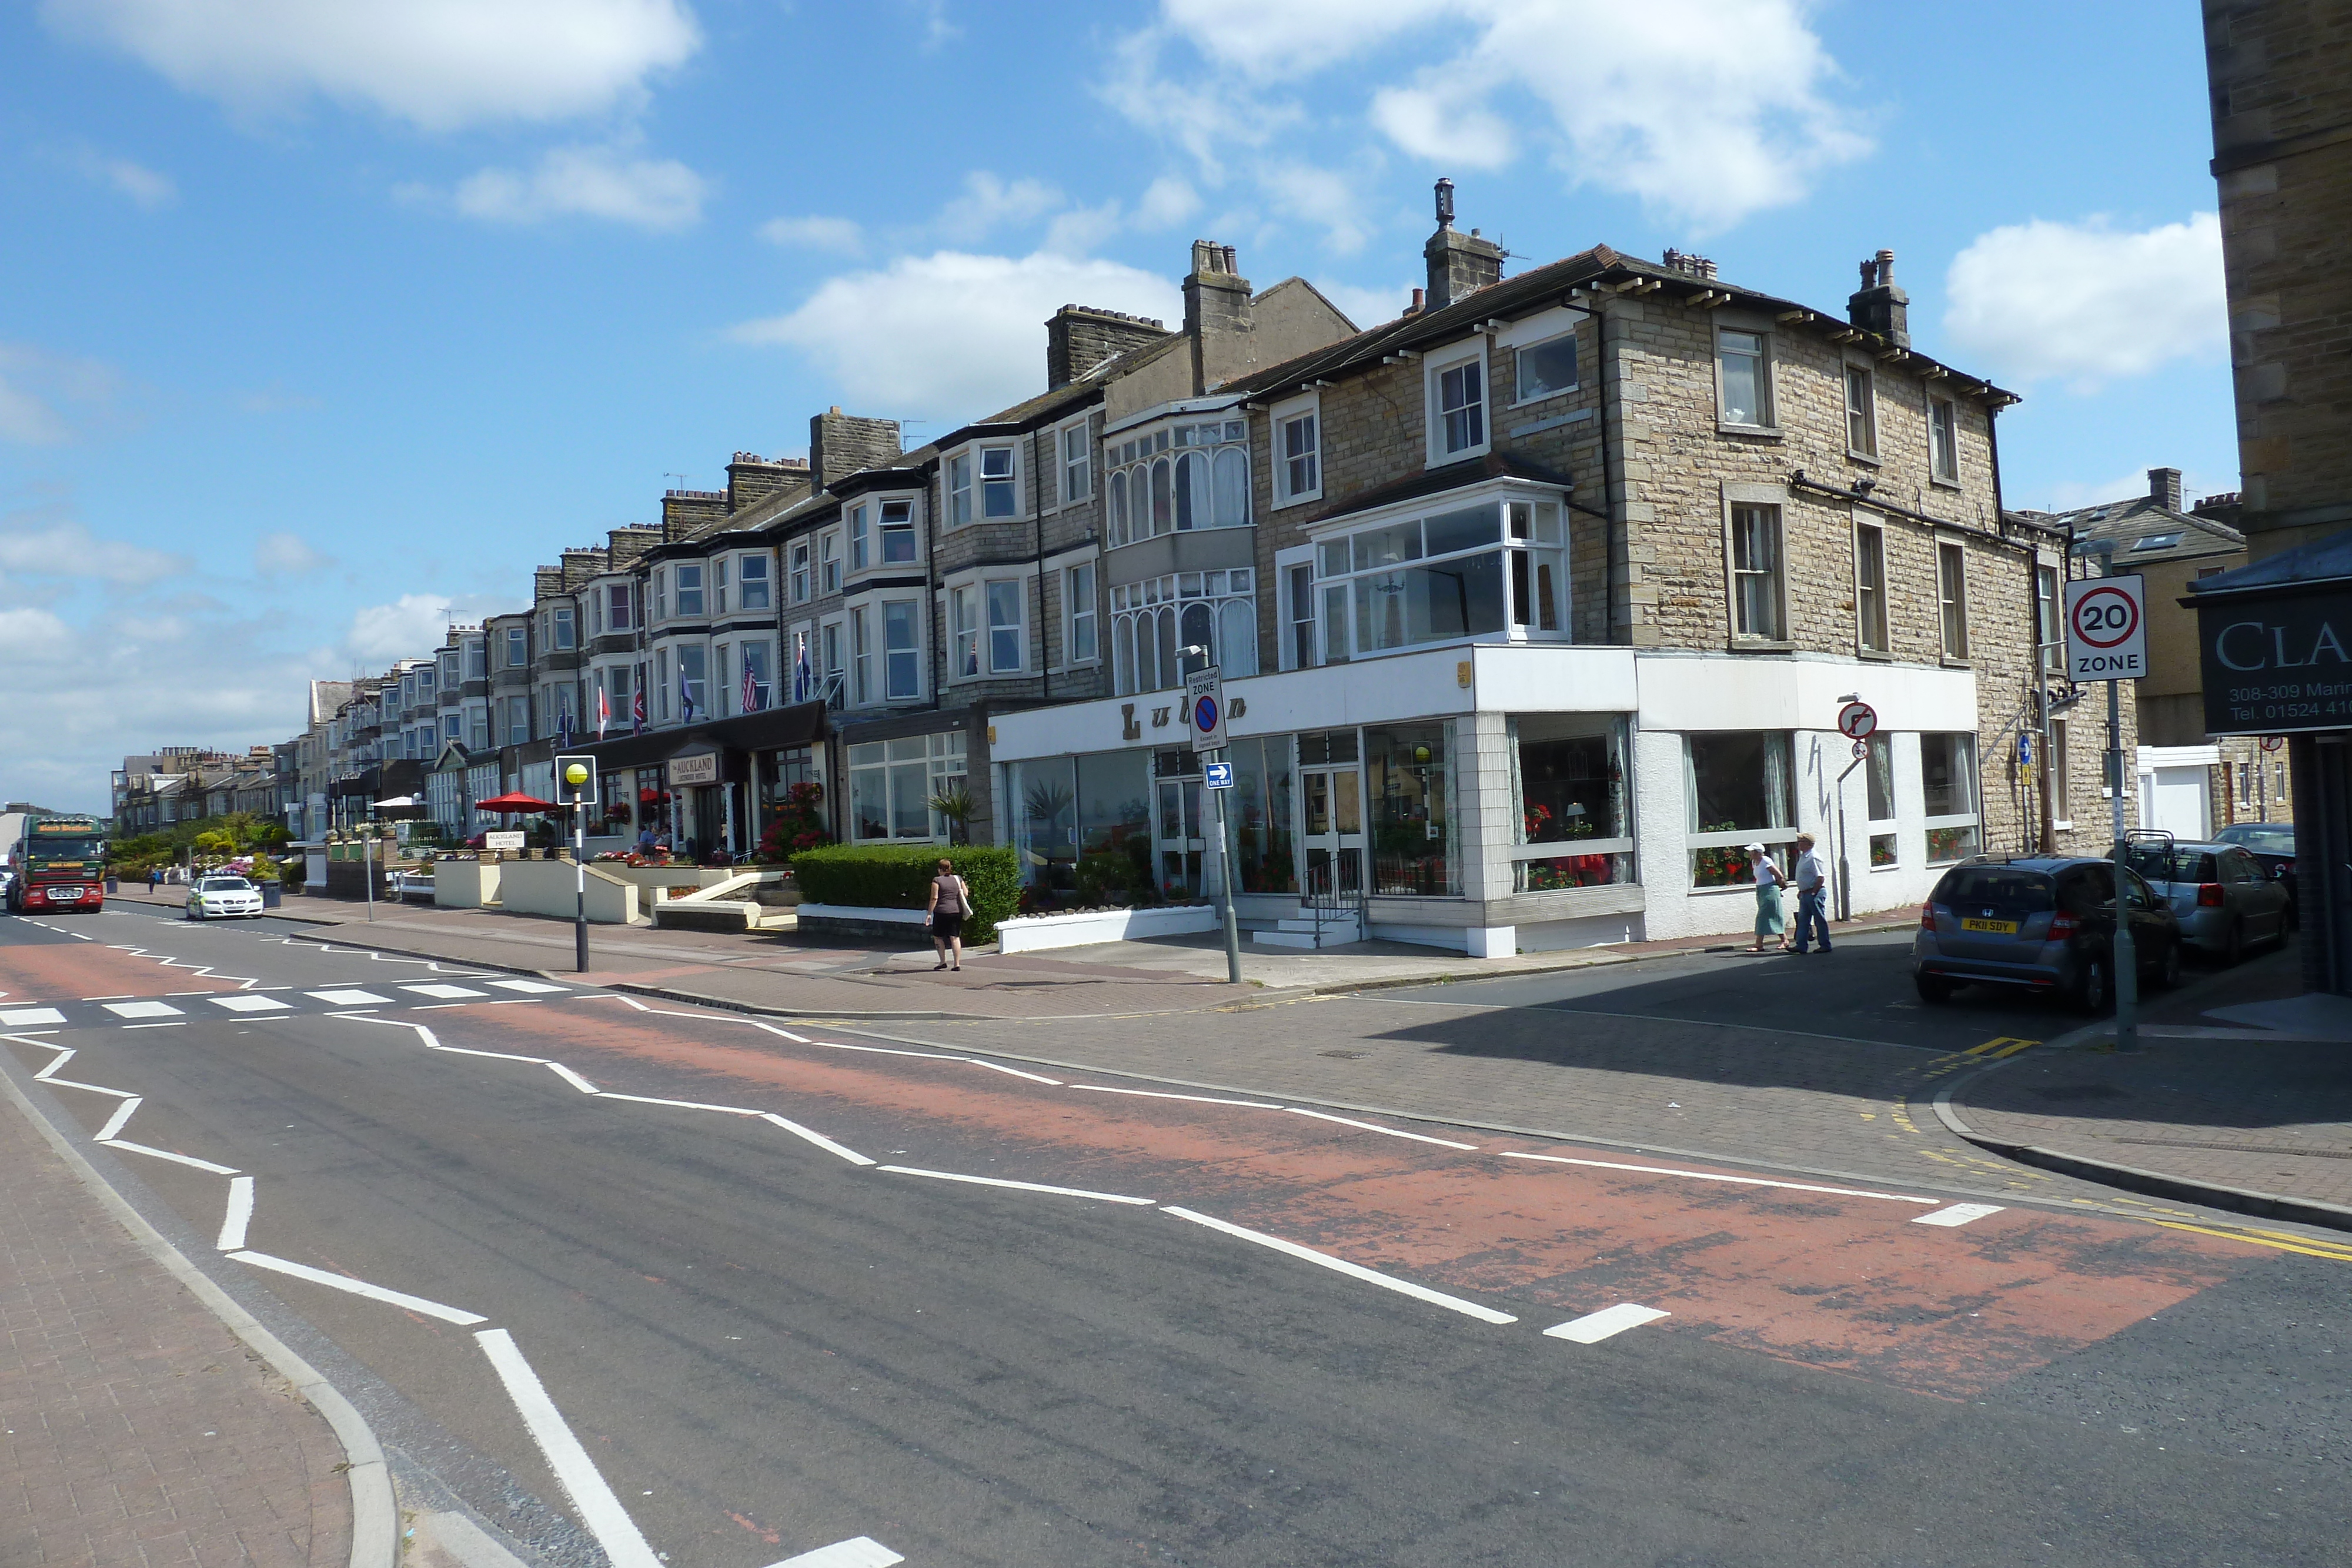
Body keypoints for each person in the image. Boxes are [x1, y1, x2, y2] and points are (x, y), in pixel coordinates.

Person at [1790, 831, 1832, 954]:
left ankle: (1825, 944)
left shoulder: (1813, 857)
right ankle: (1801, 945)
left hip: (1814, 893)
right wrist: (1801, 890)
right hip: (1805, 893)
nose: (1798, 844)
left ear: (1808, 844)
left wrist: (1814, 892)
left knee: (1819, 920)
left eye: (1801, 842)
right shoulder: (1805, 856)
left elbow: (1820, 877)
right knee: (1803, 921)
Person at [927, 856, 969, 972]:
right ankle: (956, 964)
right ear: (950, 868)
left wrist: (929, 913)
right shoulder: (958, 878)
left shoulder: (937, 880)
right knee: (955, 938)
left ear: (939, 869)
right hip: (956, 911)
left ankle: (942, 962)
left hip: (941, 912)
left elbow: (934, 898)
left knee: (938, 937)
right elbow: (965, 893)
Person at [1746, 842, 1788, 953]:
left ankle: (1759, 944)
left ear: (1757, 853)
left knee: (1762, 916)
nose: (1749, 853)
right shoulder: (1754, 862)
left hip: (1770, 890)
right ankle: (1785, 940)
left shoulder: (1766, 861)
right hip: (1760, 890)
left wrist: (1781, 886)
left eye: (1751, 851)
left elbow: (1779, 875)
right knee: (1771, 916)